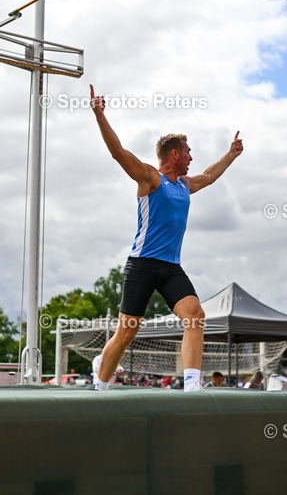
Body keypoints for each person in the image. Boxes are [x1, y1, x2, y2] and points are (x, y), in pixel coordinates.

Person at [89, 84, 243, 392]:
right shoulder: (150, 178)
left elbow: (209, 176)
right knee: (126, 332)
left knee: (195, 316)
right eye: (188, 151)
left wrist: (231, 154)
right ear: (174, 154)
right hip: (142, 264)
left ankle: (192, 384)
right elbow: (119, 153)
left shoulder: (184, 185)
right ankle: (100, 384)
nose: (191, 157)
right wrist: (99, 115)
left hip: (170, 267)